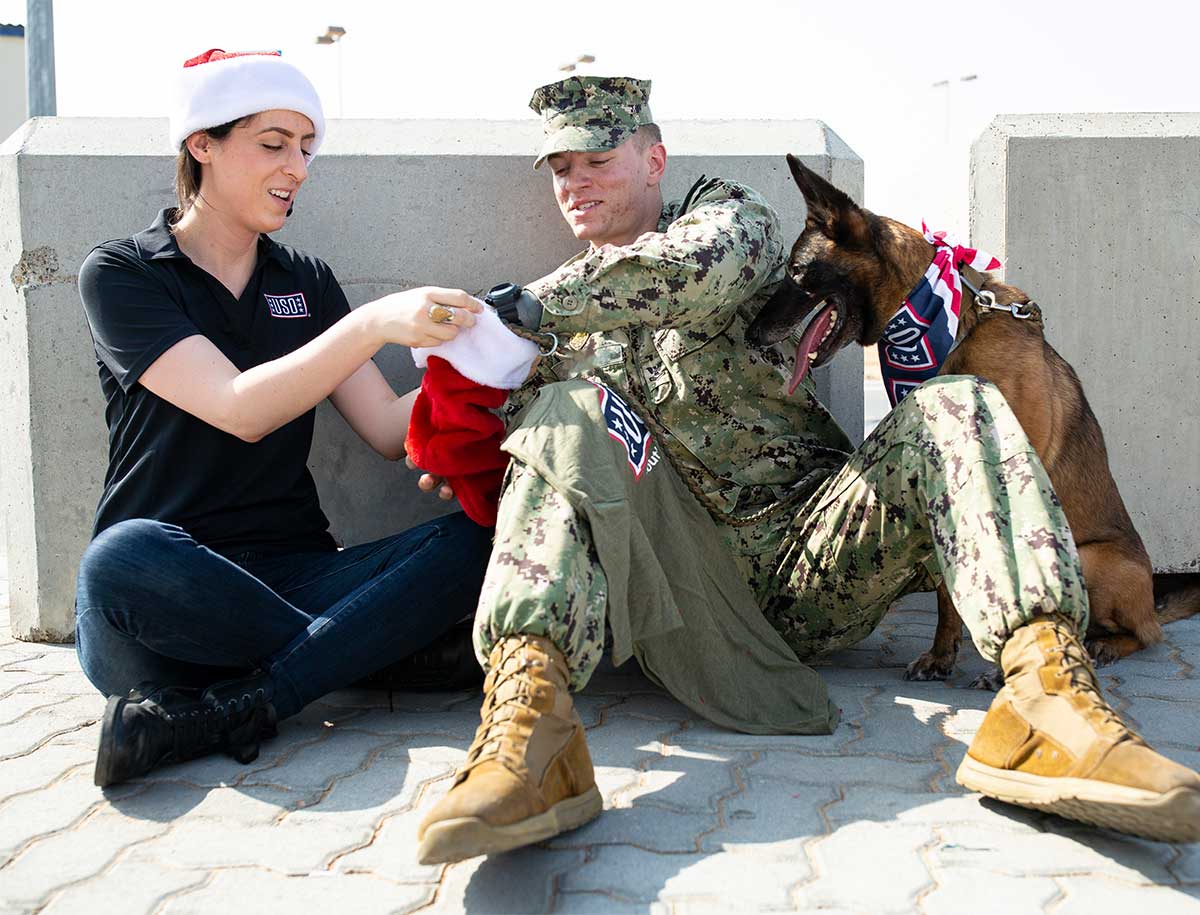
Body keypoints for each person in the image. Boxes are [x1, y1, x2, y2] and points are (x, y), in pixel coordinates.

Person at [414, 75, 1200, 863]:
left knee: (956, 401)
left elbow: (689, 270)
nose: (576, 181)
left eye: (596, 159)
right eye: (560, 169)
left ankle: (1047, 699)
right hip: (690, 591)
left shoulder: (730, 222)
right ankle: (530, 728)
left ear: (654, 160)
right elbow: (443, 422)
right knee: (557, 419)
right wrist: (447, 422)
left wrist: (531, 305)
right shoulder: (551, 340)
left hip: (818, 553)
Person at [74, 48, 492, 788]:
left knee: (485, 530)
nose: (297, 167)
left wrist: (471, 352)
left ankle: (238, 703)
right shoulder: (123, 273)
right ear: (202, 143)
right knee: (117, 557)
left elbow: (388, 431)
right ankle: (368, 651)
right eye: (273, 145)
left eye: (306, 148)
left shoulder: (303, 281)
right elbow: (240, 409)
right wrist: (372, 325)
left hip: (295, 575)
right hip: (165, 594)